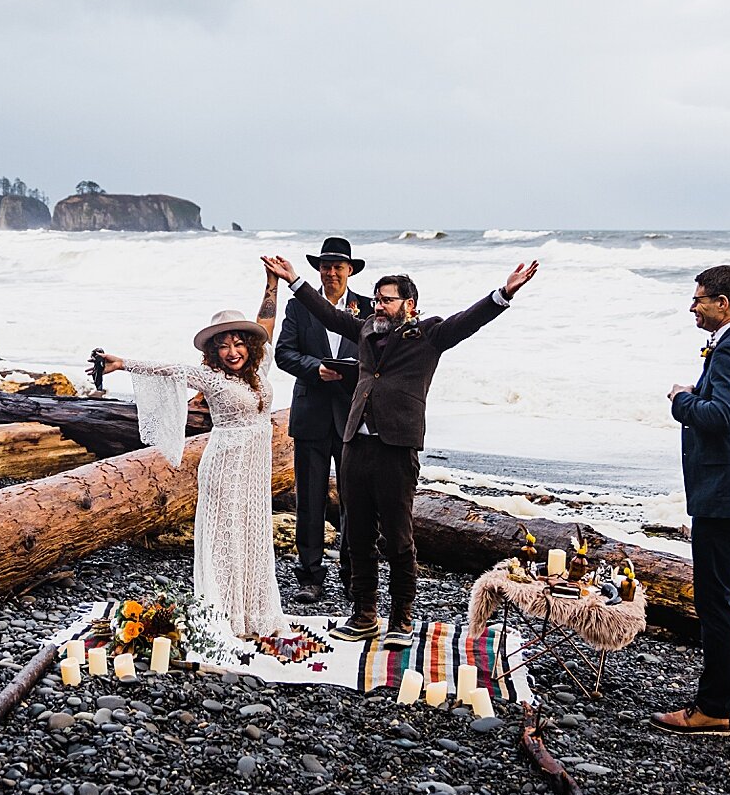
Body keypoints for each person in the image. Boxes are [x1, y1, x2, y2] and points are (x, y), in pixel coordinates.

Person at [262, 253, 538, 649]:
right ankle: (363, 615)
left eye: (387, 300)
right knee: (356, 533)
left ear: (409, 305)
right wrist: (294, 281)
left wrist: (504, 292)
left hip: (397, 447)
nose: (379, 305)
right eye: (376, 298)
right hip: (356, 442)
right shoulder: (365, 333)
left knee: (398, 537)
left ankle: (402, 619)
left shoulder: (429, 335)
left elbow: (469, 320)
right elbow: (328, 314)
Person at [97, 269, 286, 639]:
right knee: (225, 536)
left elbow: (268, 321)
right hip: (226, 463)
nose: (232, 352)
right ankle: (223, 616)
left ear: (249, 345)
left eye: (238, 343)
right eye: (223, 346)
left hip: (255, 466)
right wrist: (122, 364)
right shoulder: (212, 378)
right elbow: (170, 369)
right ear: (214, 351)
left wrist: (272, 285)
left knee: (253, 534)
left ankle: (252, 613)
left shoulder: (260, 369)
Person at [652, 265, 730, 737]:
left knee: (717, 602)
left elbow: (723, 417)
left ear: (723, 304)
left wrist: (681, 399)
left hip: (726, 494)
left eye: (699, 298)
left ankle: (713, 708)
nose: (693, 305)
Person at [274, 236, 371, 605]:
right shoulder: (300, 306)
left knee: (355, 501)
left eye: (338, 266)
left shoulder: (367, 307)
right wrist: (316, 369)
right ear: (319, 270)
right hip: (312, 414)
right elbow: (284, 354)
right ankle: (310, 577)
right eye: (325, 266)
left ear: (350, 270)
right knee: (310, 501)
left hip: (353, 417)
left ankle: (352, 575)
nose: (331, 272)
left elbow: (379, 355)